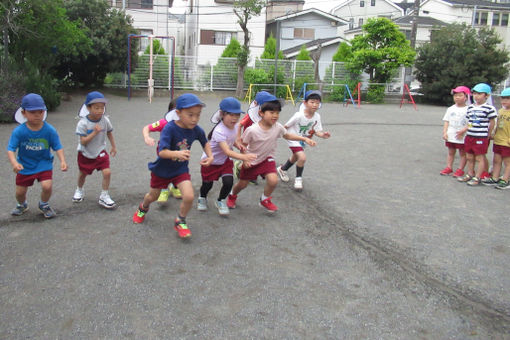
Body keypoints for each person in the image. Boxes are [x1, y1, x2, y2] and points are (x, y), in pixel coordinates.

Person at [132, 93, 213, 239]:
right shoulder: (169, 128)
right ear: (178, 113)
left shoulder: (196, 129)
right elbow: (162, 152)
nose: (195, 119)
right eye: (190, 115)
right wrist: (176, 154)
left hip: (180, 170)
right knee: (153, 196)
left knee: (189, 196)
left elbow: (204, 142)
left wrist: (210, 155)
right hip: (161, 169)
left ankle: (180, 220)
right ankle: (143, 207)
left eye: (198, 115)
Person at [226, 95, 316, 213]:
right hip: (252, 160)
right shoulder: (252, 130)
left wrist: (304, 139)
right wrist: (245, 159)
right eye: (271, 112)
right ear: (261, 113)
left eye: (277, 113)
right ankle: (232, 195)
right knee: (242, 184)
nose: (275, 115)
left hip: (267, 158)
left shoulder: (277, 127)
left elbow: (287, 135)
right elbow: (243, 145)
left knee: (273, 180)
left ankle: (264, 199)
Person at [7, 93, 68, 218]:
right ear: (24, 113)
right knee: (20, 192)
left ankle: (44, 204)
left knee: (47, 186)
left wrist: (62, 161)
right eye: (32, 112)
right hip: (25, 166)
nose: (37, 115)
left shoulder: (49, 130)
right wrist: (15, 163)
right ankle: (22, 204)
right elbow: (11, 149)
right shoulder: (19, 131)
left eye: (40, 112)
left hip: (43, 163)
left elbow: (57, 146)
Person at [197, 97, 256, 216]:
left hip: (224, 162)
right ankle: (202, 197)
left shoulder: (235, 126)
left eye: (237, 115)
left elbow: (231, 140)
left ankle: (221, 200)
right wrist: (244, 157)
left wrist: (238, 145)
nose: (235, 118)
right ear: (222, 114)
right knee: (207, 185)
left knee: (229, 182)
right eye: (231, 115)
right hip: (210, 162)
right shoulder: (219, 131)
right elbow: (227, 151)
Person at [276, 90, 331, 190]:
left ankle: (282, 169)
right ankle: (298, 179)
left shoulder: (317, 117)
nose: (315, 105)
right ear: (305, 103)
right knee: (302, 157)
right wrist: (277, 135)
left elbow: (316, 131)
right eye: (312, 102)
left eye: (317, 103)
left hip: (304, 140)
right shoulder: (298, 115)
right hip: (293, 138)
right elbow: (285, 126)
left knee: (295, 157)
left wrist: (323, 135)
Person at [73, 91, 117, 208]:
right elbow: (83, 141)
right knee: (83, 174)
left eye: (102, 108)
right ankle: (79, 189)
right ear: (88, 107)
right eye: (96, 108)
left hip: (100, 151)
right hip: (85, 153)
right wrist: (94, 132)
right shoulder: (83, 123)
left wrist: (113, 146)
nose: (99, 111)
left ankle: (104, 195)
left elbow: (109, 132)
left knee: (107, 172)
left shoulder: (105, 120)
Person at [142, 98, 183, 202]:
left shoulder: (186, 124)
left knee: (178, 169)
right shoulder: (163, 123)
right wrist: (147, 137)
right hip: (164, 154)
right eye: (175, 112)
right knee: (165, 171)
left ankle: (175, 187)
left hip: (179, 154)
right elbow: (147, 127)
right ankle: (164, 190)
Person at [457, 83, 497, 186]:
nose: (476, 96)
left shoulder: (489, 108)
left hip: (481, 137)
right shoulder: (470, 108)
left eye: (479, 94)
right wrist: (465, 131)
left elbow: (492, 122)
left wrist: (489, 133)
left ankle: (478, 177)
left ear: (486, 95)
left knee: (480, 157)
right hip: (470, 135)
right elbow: (469, 121)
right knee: (469, 156)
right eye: (474, 93)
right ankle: (470, 173)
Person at [482, 87, 510, 189]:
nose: (504, 101)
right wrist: (493, 134)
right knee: (496, 160)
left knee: (508, 162)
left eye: (508, 99)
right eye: (503, 99)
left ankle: (506, 180)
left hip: (507, 142)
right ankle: (495, 177)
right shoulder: (501, 111)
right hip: (498, 140)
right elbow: (498, 124)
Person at [440, 86, 470, 177]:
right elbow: (446, 121)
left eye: (460, 95)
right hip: (451, 134)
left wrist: (463, 130)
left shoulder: (469, 109)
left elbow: (471, 123)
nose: (457, 97)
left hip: (463, 135)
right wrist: (445, 132)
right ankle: (449, 167)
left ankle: (460, 169)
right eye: (455, 95)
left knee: (462, 153)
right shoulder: (450, 109)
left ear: (466, 97)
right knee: (451, 152)